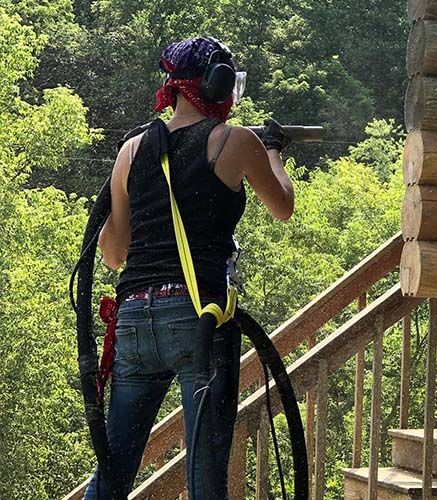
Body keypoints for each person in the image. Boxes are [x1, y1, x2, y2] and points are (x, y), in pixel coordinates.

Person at [83, 36, 294, 499]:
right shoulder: (233, 141)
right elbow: (282, 205)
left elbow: (113, 254)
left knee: (114, 470)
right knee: (205, 476)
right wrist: (274, 148)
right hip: (198, 316)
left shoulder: (132, 151)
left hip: (135, 319)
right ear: (218, 85)